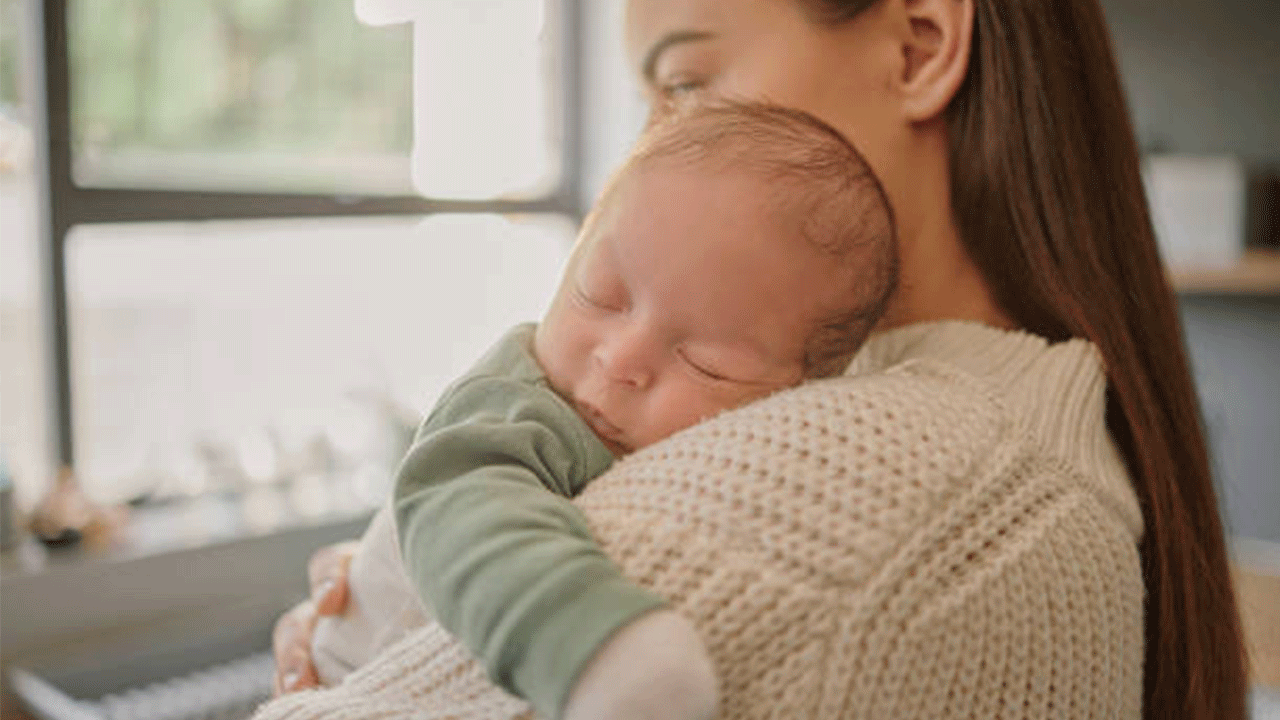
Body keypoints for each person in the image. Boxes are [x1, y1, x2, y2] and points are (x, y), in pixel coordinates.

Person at [269, 1, 1250, 719]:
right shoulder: (1022, 442)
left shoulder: (870, 510)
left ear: (917, 48)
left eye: (686, 83)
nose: (661, 145)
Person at [304, 100, 897, 720]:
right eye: (600, 294)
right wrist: (595, 646)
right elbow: (464, 513)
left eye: (707, 362)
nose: (619, 359)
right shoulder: (516, 401)